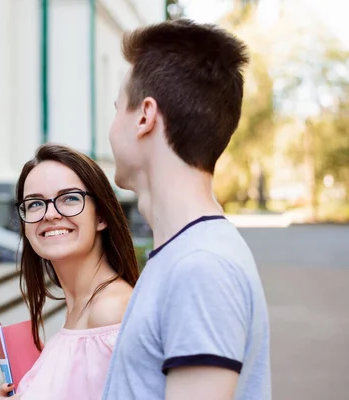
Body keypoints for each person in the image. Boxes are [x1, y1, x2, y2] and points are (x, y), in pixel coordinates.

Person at [102, 19, 271, 400]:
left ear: (145, 116)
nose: (111, 128)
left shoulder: (199, 267)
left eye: (117, 110)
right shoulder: (185, 255)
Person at [0, 144, 140, 400]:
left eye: (70, 198)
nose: (50, 214)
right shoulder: (80, 310)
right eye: (35, 203)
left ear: (101, 217)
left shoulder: (111, 313)